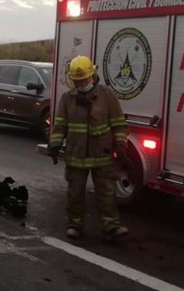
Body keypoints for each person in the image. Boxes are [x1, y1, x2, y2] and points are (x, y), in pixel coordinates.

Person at [48, 56, 129, 240]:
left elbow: (118, 124)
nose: (81, 83)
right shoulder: (68, 99)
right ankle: (74, 224)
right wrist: (55, 144)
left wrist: (120, 144)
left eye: (83, 80)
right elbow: (60, 125)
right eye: (77, 81)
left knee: (106, 192)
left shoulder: (107, 95)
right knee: (75, 192)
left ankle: (111, 225)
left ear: (92, 75)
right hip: (77, 155)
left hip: (102, 155)